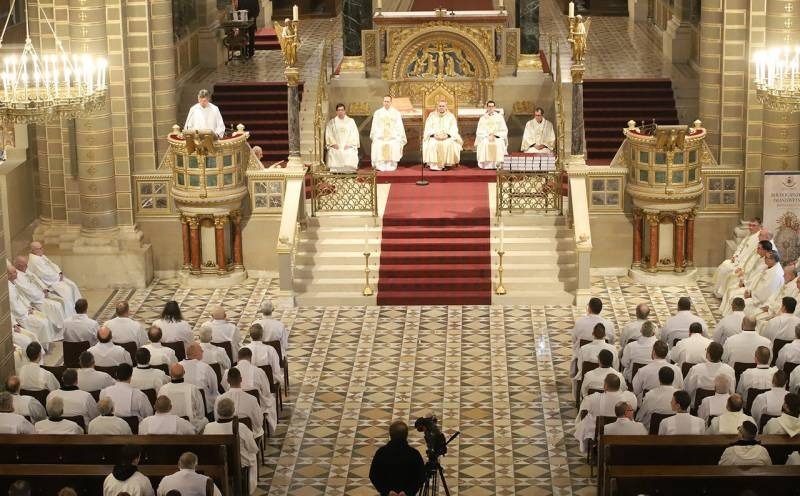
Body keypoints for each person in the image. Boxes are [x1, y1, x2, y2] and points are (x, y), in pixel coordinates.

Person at [204, 398, 259, 494]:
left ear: (217, 411)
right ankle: (248, 490)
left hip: (217, 464)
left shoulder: (209, 427)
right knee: (252, 454)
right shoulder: (241, 427)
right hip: (238, 465)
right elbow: (253, 448)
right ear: (233, 410)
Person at [574, 374, 638, 450]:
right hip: (624, 432)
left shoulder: (593, 399)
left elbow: (582, 411)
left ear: (605, 386)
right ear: (619, 386)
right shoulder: (630, 398)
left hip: (601, 433)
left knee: (587, 420)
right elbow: (635, 409)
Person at [221, 348, 276, 433]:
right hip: (254, 407)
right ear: (250, 358)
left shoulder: (228, 372)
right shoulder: (258, 371)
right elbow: (266, 391)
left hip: (229, 410)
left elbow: (225, 389)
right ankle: (270, 430)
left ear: (238, 358)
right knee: (271, 399)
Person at [369, 420, 425, 496]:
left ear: (390, 434)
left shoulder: (381, 452)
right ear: (406, 435)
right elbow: (421, 476)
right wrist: (408, 492)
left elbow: (373, 475)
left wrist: (387, 491)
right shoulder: (414, 454)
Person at [11, 256, 66, 331]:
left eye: (26, 264)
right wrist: (42, 295)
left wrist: (44, 288)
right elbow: (28, 292)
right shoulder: (17, 278)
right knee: (56, 307)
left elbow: (36, 279)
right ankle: (58, 329)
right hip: (36, 300)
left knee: (60, 301)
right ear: (19, 265)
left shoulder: (25, 270)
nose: (27, 266)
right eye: (25, 265)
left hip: (40, 294)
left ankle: (61, 327)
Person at [7, 268, 57, 348]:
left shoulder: (13, 284)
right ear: (8, 275)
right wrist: (26, 311)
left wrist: (28, 306)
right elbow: (14, 307)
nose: (17, 273)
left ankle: (45, 344)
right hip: (22, 316)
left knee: (45, 319)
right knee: (42, 323)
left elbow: (21, 297)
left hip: (25, 310)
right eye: (14, 272)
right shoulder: (8, 289)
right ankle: (42, 346)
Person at [713, 218, 762, 296]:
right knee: (724, 264)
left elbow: (751, 257)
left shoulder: (758, 239)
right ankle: (718, 291)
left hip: (743, 266)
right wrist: (735, 256)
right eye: (750, 225)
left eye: (754, 225)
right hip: (737, 260)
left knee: (726, 269)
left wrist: (741, 267)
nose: (751, 227)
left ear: (759, 226)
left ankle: (722, 293)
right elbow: (740, 247)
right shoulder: (749, 234)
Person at [28, 241, 82, 309]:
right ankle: (71, 310)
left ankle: (79, 307)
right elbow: (45, 275)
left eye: (42, 247)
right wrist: (58, 277)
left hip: (56, 278)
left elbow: (52, 264)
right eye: (40, 248)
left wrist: (59, 272)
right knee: (67, 291)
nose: (42, 249)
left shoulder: (40, 256)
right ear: (34, 250)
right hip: (50, 283)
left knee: (72, 285)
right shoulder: (34, 260)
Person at [214, 367, 264, 439]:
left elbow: (217, 419)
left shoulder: (219, 399)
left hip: (226, 436)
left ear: (227, 381)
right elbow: (259, 422)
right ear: (241, 379)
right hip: (247, 436)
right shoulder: (252, 399)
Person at [158, 363, 208, 433]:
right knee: (205, 420)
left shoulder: (163, 389)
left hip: (168, 427)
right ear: (184, 372)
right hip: (190, 427)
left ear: (170, 374)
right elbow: (201, 413)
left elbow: (160, 410)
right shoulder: (193, 388)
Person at [156, 452, 222, 496]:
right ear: (196, 465)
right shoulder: (207, 481)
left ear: (179, 464)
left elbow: (158, 494)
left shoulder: (166, 480)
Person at [422, 98, 462, 171]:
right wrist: (434, 134)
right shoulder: (432, 115)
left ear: (446, 107)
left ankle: (446, 164)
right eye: (439, 106)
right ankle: (434, 165)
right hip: (435, 136)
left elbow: (454, 128)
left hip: (447, 137)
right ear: (437, 107)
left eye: (443, 106)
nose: (441, 107)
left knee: (448, 143)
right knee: (432, 143)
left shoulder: (451, 116)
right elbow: (428, 127)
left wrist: (447, 135)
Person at [369, 95, 406, 172]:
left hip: (392, 136)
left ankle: (391, 164)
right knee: (378, 143)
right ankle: (380, 164)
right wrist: (380, 134)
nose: (386, 103)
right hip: (380, 136)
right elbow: (375, 126)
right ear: (383, 102)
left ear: (391, 102)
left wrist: (393, 135)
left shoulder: (396, 113)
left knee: (394, 143)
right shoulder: (377, 113)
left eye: (388, 101)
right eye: (385, 101)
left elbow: (399, 126)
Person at [180, 343, 220, 415]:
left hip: (183, 407)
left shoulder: (178, 366)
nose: (202, 351)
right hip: (205, 407)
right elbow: (214, 389)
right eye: (201, 350)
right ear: (195, 354)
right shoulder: (205, 368)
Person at [325, 103, 360, 173]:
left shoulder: (351, 121)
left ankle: (349, 170)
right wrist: (333, 144)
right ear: (336, 111)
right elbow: (329, 134)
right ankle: (335, 170)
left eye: (342, 110)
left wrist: (350, 144)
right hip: (336, 145)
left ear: (344, 111)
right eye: (339, 110)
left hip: (348, 145)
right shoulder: (332, 122)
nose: (340, 112)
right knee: (334, 151)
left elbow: (354, 133)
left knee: (350, 152)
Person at [475, 100, 507, 169]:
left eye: (492, 106)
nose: (491, 108)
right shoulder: (482, 118)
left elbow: (504, 129)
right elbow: (479, 131)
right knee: (484, 143)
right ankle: (486, 165)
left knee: (499, 143)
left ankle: (498, 164)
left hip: (497, 136)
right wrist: (488, 135)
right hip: (486, 137)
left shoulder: (500, 117)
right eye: (489, 106)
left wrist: (495, 135)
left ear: (495, 107)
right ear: (486, 107)